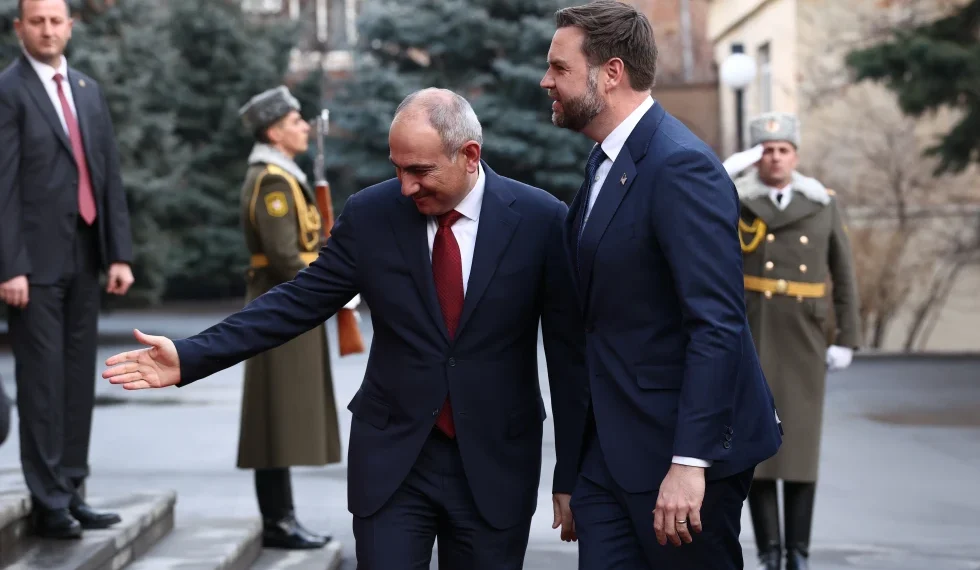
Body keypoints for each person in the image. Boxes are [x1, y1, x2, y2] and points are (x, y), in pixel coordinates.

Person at [101, 88, 591, 569]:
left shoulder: (541, 220)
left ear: (469, 156)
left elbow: (568, 355)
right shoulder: (371, 214)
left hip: (495, 464)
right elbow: (298, 301)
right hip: (393, 462)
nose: (406, 187)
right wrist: (191, 355)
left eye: (420, 171)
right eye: (397, 169)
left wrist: (570, 474)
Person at [540, 2, 783, 568]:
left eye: (559, 67)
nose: (546, 80)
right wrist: (573, 469)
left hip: (679, 460)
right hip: (610, 455)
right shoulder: (605, 161)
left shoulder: (680, 165)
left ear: (611, 73)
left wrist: (691, 462)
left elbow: (717, 323)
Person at [0, 0, 134, 539]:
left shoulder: (86, 90)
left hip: (86, 255)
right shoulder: (8, 91)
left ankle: (73, 488)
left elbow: (107, 174)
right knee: (41, 384)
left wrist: (118, 253)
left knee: (78, 380)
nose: (48, 30)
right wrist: (10, 265)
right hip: (32, 266)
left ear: (70, 27)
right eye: (37, 21)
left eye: (56, 21)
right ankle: (48, 499)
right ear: (20, 28)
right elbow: (2, 185)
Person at [733, 112, 861, 570]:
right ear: (756, 158)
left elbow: (843, 273)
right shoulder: (737, 199)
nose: (775, 158)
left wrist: (846, 338)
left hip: (805, 333)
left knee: (801, 448)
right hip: (755, 331)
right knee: (759, 447)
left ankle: (798, 552)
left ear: (796, 156)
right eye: (767, 151)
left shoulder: (821, 203)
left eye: (783, 150)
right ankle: (770, 551)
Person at [234, 86, 351, 549]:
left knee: (278, 417)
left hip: (285, 305)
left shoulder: (282, 174)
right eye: (295, 122)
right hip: (279, 307)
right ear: (273, 132)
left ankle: (282, 517)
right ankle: (278, 521)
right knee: (274, 418)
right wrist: (334, 279)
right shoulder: (273, 181)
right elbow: (285, 257)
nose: (304, 128)